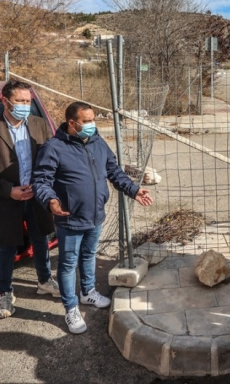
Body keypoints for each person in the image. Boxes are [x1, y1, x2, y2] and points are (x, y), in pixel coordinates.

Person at [32, 101, 153, 334]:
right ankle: (70, 308)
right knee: (67, 264)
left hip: (95, 215)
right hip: (69, 217)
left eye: (92, 119)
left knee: (88, 255)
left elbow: (114, 171)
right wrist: (50, 200)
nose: (91, 124)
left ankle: (87, 292)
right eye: (86, 121)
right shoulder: (54, 147)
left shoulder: (98, 142)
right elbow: (41, 180)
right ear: (72, 123)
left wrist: (134, 189)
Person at [0, 80, 59, 320]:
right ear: (5, 102)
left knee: (40, 239)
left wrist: (44, 187)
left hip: (36, 195)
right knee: (6, 247)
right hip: (6, 198)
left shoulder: (40, 125)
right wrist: (8, 190)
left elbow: (50, 158)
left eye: (28, 101)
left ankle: (44, 280)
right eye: (20, 101)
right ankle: (5, 291)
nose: (25, 106)